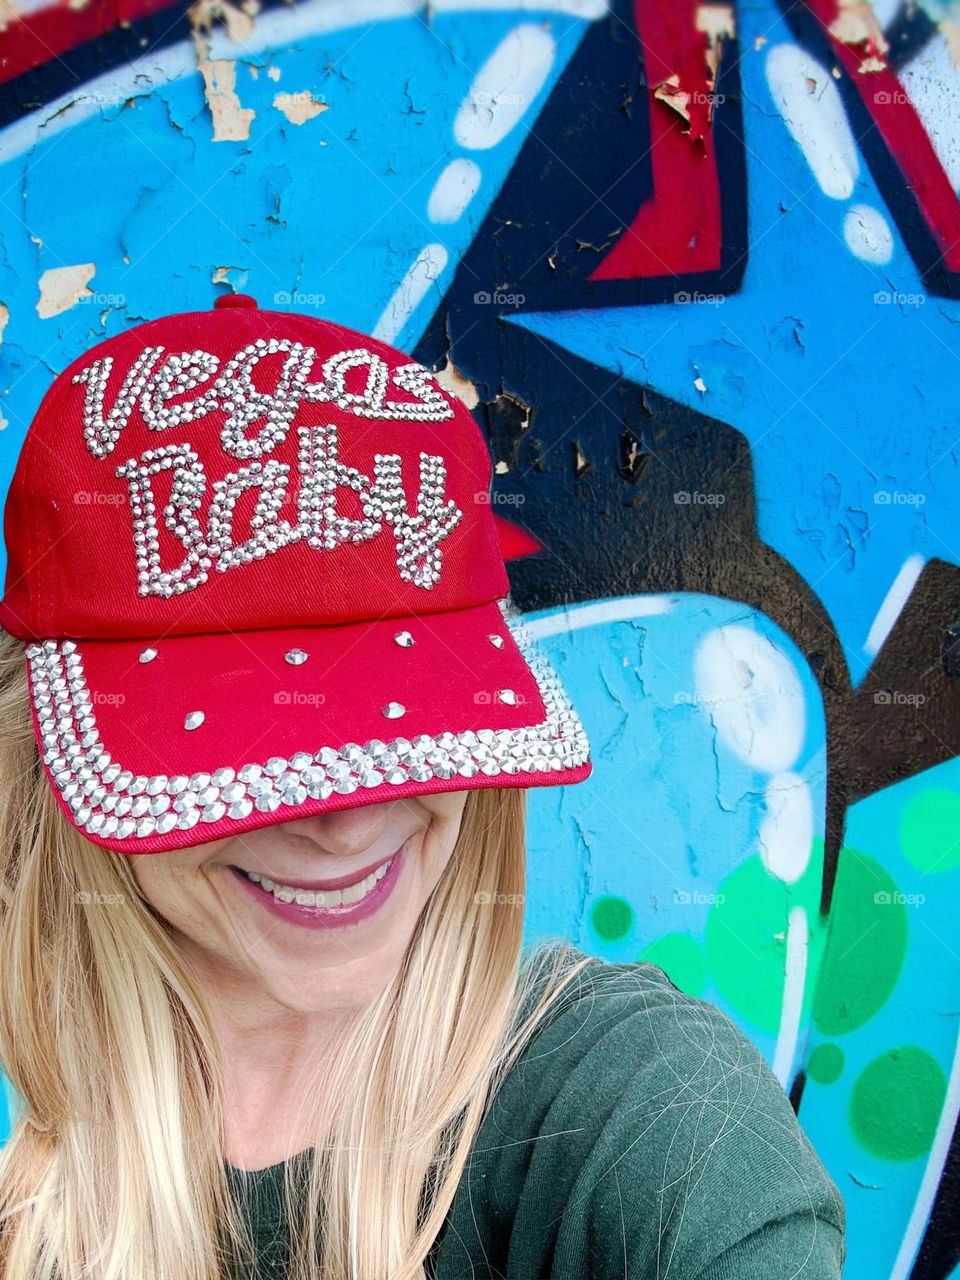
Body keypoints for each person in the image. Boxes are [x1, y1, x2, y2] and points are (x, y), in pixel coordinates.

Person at [0, 295, 845, 1279]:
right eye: (233, 743)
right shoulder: (38, 1214)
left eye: (399, 719)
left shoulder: (637, 1112)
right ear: (52, 747)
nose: (346, 815)